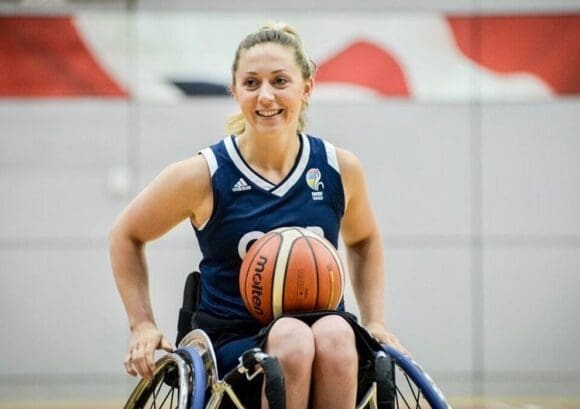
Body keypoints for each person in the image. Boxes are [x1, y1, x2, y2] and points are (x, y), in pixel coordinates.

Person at [109, 22, 406, 409]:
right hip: (234, 340)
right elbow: (125, 235)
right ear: (235, 91)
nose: (266, 96)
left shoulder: (338, 168)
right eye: (251, 83)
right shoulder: (204, 174)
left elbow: (364, 239)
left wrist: (375, 319)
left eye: (280, 81)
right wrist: (142, 324)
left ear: (307, 87)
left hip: (323, 325)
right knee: (292, 340)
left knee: (336, 333)